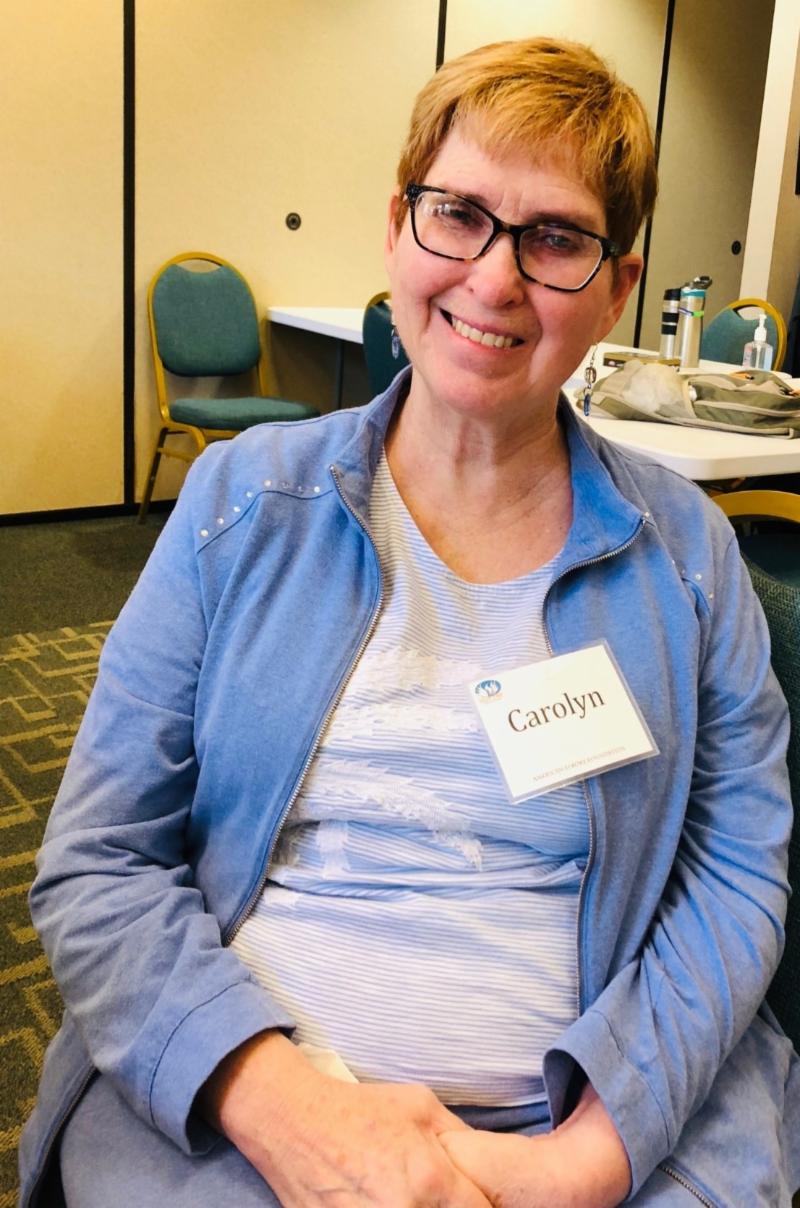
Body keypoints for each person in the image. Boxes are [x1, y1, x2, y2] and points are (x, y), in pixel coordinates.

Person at [19, 36, 800, 1208]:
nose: (493, 278)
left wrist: (573, 1167)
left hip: (601, 1129)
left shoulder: (685, 554)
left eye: (555, 238)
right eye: (458, 215)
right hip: (241, 1122)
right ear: (396, 227)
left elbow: (734, 877)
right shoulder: (241, 505)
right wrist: (293, 1117)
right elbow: (99, 857)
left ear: (615, 287)